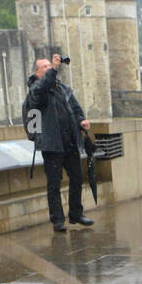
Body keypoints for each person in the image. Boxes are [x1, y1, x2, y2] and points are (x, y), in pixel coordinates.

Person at [23, 54, 93, 231]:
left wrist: (82, 120)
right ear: (37, 73)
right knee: (54, 184)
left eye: (49, 65)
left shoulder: (62, 88)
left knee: (77, 178)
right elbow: (42, 88)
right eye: (45, 67)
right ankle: (57, 220)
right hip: (51, 144)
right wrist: (53, 69)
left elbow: (74, 108)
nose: (49, 68)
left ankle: (76, 213)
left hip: (69, 141)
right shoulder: (36, 90)